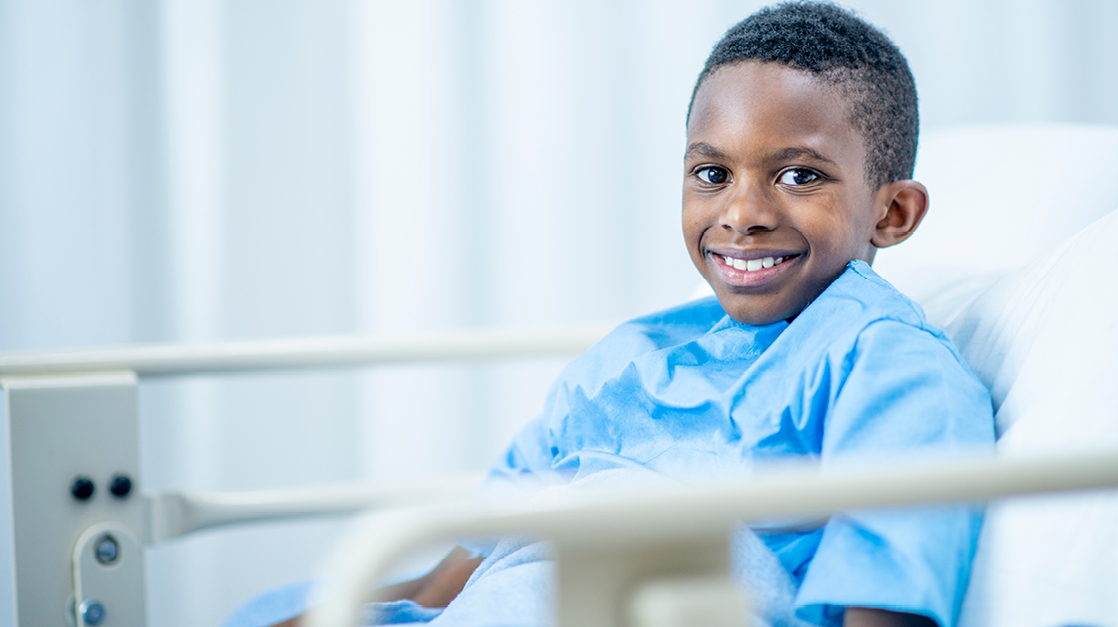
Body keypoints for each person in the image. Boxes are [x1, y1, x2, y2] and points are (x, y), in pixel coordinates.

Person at [259, 3, 993, 626]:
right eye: (712, 173)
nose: (743, 212)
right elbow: (446, 584)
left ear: (893, 213)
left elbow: (883, 607)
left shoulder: (892, 367)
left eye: (799, 175)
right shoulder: (632, 356)